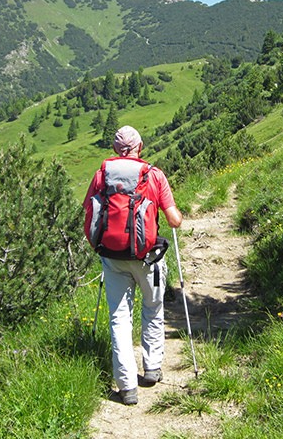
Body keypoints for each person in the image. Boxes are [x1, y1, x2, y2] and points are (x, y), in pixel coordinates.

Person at [83, 125, 183, 406]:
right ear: (140, 146)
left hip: (113, 258)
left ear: (115, 149)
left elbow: (88, 212)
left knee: (119, 318)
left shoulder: (102, 175)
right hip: (147, 256)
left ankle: (126, 387)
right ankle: (151, 369)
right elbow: (174, 220)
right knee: (152, 308)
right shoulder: (153, 175)